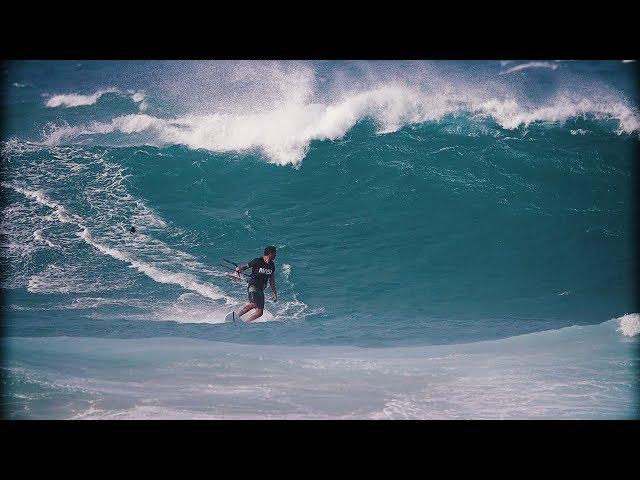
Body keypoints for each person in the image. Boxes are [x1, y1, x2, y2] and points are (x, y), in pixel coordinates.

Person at [233, 246, 278, 322]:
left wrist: (274, 293)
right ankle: (236, 316)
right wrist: (239, 269)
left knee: (259, 312)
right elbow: (246, 266)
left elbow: (272, 281)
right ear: (270, 254)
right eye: (275, 253)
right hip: (253, 285)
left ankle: (245, 323)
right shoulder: (258, 261)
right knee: (253, 304)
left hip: (261, 289)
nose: (275, 255)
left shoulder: (272, 265)